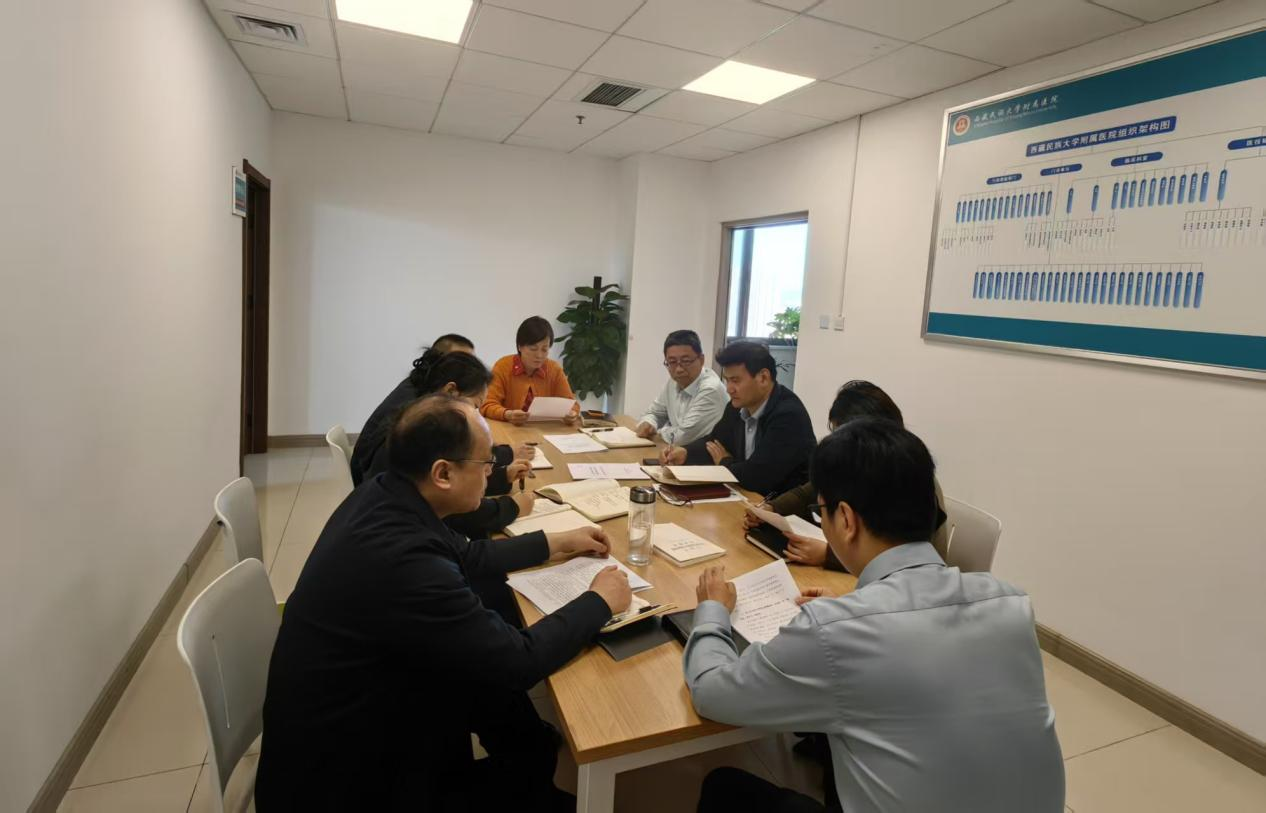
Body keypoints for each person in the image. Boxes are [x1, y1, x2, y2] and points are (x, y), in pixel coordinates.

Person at [257, 395, 633, 812]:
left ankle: (532, 767)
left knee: (499, 695)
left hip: (361, 706)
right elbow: (518, 661)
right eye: (485, 462)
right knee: (497, 675)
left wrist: (558, 541)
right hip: (343, 782)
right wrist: (600, 600)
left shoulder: (387, 493)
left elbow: (469, 555)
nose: (491, 472)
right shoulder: (405, 559)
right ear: (443, 473)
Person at [684, 419, 1065, 813]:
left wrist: (712, 610)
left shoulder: (834, 632)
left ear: (846, 520)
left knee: (724, 787)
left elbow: (711, 693)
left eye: (821, 511)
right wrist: (850, 610)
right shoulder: (1011, 605)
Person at [743, 380, 949, 569]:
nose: (840, 444)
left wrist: (827, 555)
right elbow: (811, 490)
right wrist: (771, 509)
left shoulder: (908, 476)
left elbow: (898, 555)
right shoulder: (864, 465)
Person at [359, 351, 534, 537]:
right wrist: (510, 508)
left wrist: (503, 476)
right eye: (474, 406)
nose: (476, 415)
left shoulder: (420, 411)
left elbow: (453, 479)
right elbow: (453, 513)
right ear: (451, 391)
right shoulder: (420, 430)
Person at [660, 341, 814, 496]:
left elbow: (757, 477)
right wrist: (685, 453)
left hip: (780, 506)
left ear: (763, 378)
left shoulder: (788, 416)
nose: (729, 389)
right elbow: (715, 443)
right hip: (746, 498)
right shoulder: (737, 407)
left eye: (735, 380)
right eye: (727, 380)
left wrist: (725, 462)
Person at [352, 333, 478, 485]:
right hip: (376, 483)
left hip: (369, 476)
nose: (469, 370)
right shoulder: (420, 408)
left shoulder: (417, 383)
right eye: (461, 363)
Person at [480, 316, 579, 425]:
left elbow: (572, 404)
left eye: (544, 349)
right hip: (510, 429)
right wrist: (507, 414)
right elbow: (487, 405)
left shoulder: (554, 369)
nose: (539, 355)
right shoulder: (503, 366)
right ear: (520, 346)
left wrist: (572, 413)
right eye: (533, 349)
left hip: (545, 430)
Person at [635, 330, 727, 446]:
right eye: (672, 362)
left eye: (686, 361)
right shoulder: (673, 382)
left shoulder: (711, 389)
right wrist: (648, 423)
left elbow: (682, 438)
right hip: (679, 452)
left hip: (708, 455)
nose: (679, 369)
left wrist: (660, 431)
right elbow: (654, 413)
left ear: (701, 360)